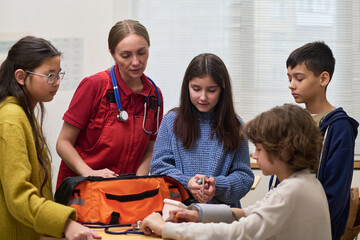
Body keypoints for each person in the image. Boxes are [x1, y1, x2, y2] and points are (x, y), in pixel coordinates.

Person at [140, 104, 332, 240]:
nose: (254, 156)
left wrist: (166, 228)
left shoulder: (291, 192)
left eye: (258, 149)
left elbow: (238, 233)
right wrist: (198, 213)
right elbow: (249, 213)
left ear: (281, 149)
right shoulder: (306, 183)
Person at [0, 36, 101, 239]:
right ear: (21, 77)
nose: (56, 83)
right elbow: (19, 196)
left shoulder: (23, 113)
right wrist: (65, 224)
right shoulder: (11, 118)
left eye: (58, 75)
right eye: (49, 75)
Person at [56, 19, 163, 188]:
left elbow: (150, 147)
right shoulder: (94, 86)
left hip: (125, 191)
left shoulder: (154, 96)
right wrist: (90, 173)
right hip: (84, 189)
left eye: (141, 53)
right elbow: (63, 143)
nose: (135, 62)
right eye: (126, 55)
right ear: (113, 54)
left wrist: (139, 181)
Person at [269, 41, 359, 239]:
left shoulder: (340, 127)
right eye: (289, 78)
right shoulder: (293, 121)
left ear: (323, 78)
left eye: (299, 78)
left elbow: (335, 193)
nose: (291, 84)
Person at [150, 53, 254, 207]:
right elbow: (159, 167)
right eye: (196, 89)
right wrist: (187, 182)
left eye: (211, 90)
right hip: (179, 214)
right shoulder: (171, 121)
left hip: (223, 218)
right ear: (187, 86)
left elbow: (244, 176)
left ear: (222, 90)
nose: (203, 97)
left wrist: (217, 186)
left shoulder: (235, 125)